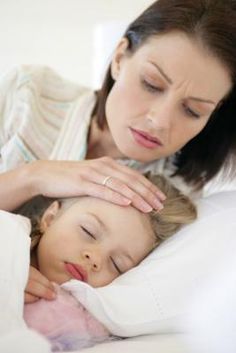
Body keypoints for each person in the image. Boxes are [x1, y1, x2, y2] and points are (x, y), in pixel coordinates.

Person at [0, 0, 235, 303]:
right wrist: (35, 176)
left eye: (192, 110)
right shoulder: (29, 95)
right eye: (151, 84)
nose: (159, 121)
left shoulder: (173, 202)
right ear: (120, 58)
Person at [23, 174, 196, 351]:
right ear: (50, 217)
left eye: (116, 264)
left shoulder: (81, 330)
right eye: (88, 231)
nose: (95, 258)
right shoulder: (7, 234)